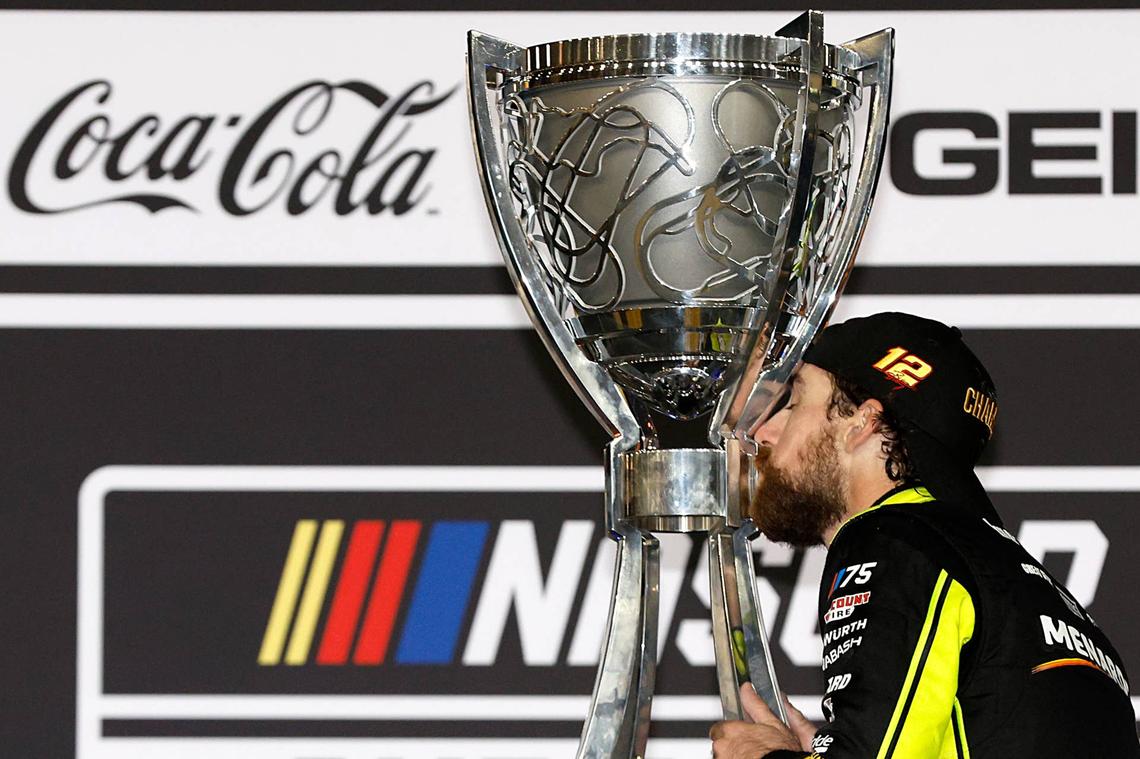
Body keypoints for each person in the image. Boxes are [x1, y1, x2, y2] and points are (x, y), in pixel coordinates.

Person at [709, 311, 1139, 758]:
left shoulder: (895, 540)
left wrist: (762, 756)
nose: (763, 432)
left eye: (795, 403)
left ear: (862, 423)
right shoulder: (1041, 598)